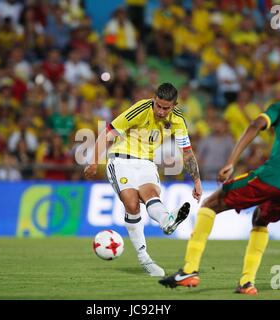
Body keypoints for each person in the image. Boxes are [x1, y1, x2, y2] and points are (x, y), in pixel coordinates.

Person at [159, 81, 280, 294]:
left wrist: (231, 161)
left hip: (272, 176)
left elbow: (255, 126)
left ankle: (189, 270)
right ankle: (247, 283)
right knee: (261, 219)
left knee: (211, 203)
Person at [84, 83, 202, 277]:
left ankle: (167, 221)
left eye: (166, 108)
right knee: (131, 203)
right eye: (158, 105)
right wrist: (95, 161)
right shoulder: (140, 109)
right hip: (121, 159)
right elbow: (109, 133)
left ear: (175, 105)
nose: (161, 111)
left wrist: (196, 181)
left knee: (151, 194)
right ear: (154, 100)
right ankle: (144, 258)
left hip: (147, 163)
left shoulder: (179, 120)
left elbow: (187, 153)